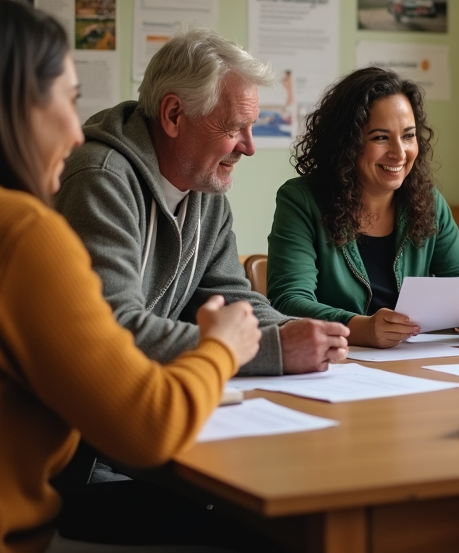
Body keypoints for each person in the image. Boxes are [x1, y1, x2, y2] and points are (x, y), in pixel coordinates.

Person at [0, 0, 261, 553]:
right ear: (9, 107)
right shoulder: (16, 232)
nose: (74, 134)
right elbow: (148, 426)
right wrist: (220, 348)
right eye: (67, 102)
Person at [53, 27, 348, 543]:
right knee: (264, 530)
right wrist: (276, 348)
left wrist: (304, 332)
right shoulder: (100, 178)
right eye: (236, 128)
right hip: (87, 461)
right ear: (172, 116)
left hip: (149, 433)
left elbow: (234, 300)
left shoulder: (204, 189)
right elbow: (112, 330)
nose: (251, 148)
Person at [268, 67, 459, 347]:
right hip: (335, 361)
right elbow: (289, 302)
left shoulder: (430, 203)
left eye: (408, 136)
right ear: (347, 143)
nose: (399, 152)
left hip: (413, 366)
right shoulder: (301, 200)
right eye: (380, 137)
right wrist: (361, 328)